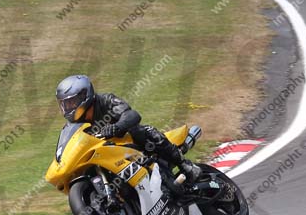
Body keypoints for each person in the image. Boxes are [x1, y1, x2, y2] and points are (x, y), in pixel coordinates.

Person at [55, 74, 201, 186]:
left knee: (144, 131)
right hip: (107, 154)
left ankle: (184, 164)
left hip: (129, 141)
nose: (68, 108)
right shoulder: (75, 126)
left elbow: (132, 115)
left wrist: (116, 127)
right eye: (64, 105)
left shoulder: (106, 100)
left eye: (71, 103)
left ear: (84, 96)